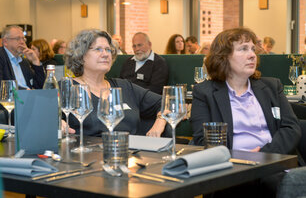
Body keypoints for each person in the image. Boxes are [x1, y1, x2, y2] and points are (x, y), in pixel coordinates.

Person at [190, 27, 303, 197]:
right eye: (243, 49)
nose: (252, 55)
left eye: (252, 49)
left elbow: (291, 127)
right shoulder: (204, 93)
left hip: (275, 163)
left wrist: (264, 155)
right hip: (232, 170)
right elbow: (202, 138)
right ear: (223, 57)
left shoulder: (272, 87)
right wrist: (238, 161)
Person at [64, 29, 167, 137]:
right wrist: (57, 123)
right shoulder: (67, 88)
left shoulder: (125, 86)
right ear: (80, 55)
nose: (105, 54)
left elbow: (166, 102)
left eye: (108, 50)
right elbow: (46, 116)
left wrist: (160, 122)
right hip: (88, 151)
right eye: (98, 49)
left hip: (131, 151)